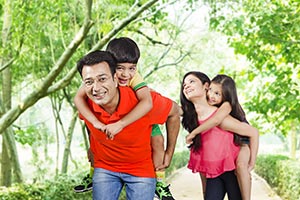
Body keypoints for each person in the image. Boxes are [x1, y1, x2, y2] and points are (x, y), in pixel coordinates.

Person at [73, 37, 175, 199]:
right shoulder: (93, 85)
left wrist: (170, 152)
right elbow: (79, 102)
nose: (125, 74)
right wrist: (95, 127)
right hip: (106, 166)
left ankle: (160, 180)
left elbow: (152, 104)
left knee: (157, 141)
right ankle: (92, 174)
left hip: (140, 158)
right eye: (120, 68)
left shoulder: (137, 85)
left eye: (131, 68)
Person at [180, 71, 259, 200]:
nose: (186, 86)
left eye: (191, 82)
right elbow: (202, 157)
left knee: (241, 167)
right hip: (214, 173)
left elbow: (253, 132)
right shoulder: (193, 116)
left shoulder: (223, 111)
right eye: (184, 85)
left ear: (205, 86)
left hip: (241, 147)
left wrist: (251, 163)